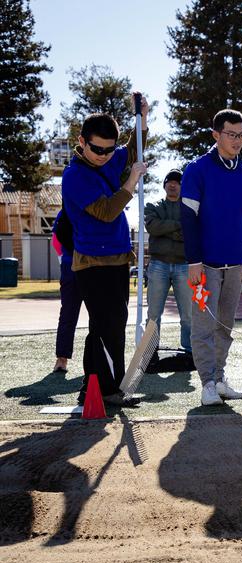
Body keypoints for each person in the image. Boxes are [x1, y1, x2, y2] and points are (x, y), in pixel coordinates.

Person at [61, 96, 148, 406]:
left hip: (117, 259)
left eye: (109, 150)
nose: (104, 156)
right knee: (107, 324)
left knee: (107, 324)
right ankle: (108, 390)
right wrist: (132, 182)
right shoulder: (74, 176)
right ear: (82, 142)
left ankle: (94, 387)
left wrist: (142, 120)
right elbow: (107, 211)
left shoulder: (110, 157)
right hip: (92, 263)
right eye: (97, 149)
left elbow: (133, 150)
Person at [181, 109, 242, 406]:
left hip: (235, 265)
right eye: (231, 134)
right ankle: (206, 384)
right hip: (203, 265)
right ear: (216, 135)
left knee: (225, 325)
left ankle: (218, 378)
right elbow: (188, 218)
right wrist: (193, 261)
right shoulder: (196, 169)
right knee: (204, 325)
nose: (238, 140)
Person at [144, 168, 193, 353]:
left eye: (177, 182)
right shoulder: (152, 205)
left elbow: (192, 232)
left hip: (184, 265)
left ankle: (189, 350)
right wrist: (179, 228)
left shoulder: (189, 208)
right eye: (169, 181)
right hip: (158, 264)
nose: (173, 184)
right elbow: (153, 227)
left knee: (187, 314)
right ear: (164, 185)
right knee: (154, 313)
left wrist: (166, 229)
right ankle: (150, 351)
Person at [51, 209, 82, 374]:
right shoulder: (65, 213)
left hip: (87, 268)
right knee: (69, 314)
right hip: (74, 268)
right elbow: (56, 241)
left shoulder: (97, 206)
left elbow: (55, 242)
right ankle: (62, 358)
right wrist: (65, 260)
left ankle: (62, 361)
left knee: (70, 315)